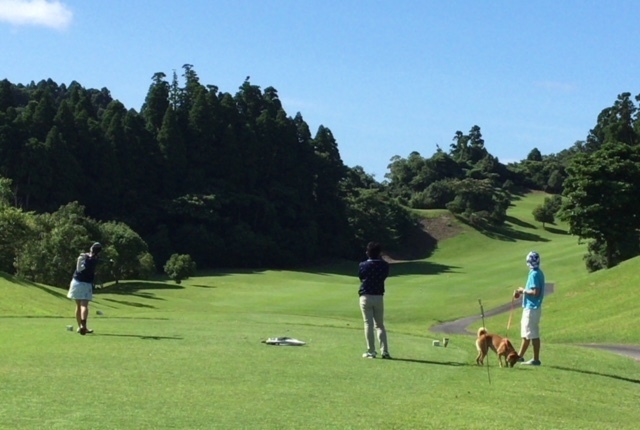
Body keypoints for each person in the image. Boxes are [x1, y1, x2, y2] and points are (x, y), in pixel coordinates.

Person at [358, 241, 391, 359]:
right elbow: (384, 276)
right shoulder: (384, 265)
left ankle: (371, 351)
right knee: (380, 325)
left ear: (368, 252)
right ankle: (385, 351)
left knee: (368, 324)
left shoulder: (362, 265)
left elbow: (361, 277)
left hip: (366, 296)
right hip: (378, 296)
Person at [515, 251, 545, 365]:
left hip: (531, 308)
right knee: (533, 333)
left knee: (528, 334)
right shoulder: (539, 272)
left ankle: (520, 357)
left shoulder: (534, 274)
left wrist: (523, 291)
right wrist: (522, 293)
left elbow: (535, 292)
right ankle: (533, 358)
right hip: (535, 307)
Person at [67, 242, 103, 335]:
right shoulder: (93, 259)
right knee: (84, 305)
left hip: (76, 282)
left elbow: (79, 269)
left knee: (78, 306)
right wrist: (85, 256)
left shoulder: (90, 260)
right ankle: (83, 325)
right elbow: (89, 256)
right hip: (85, 284)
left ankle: (80, 327)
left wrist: (80, 258)